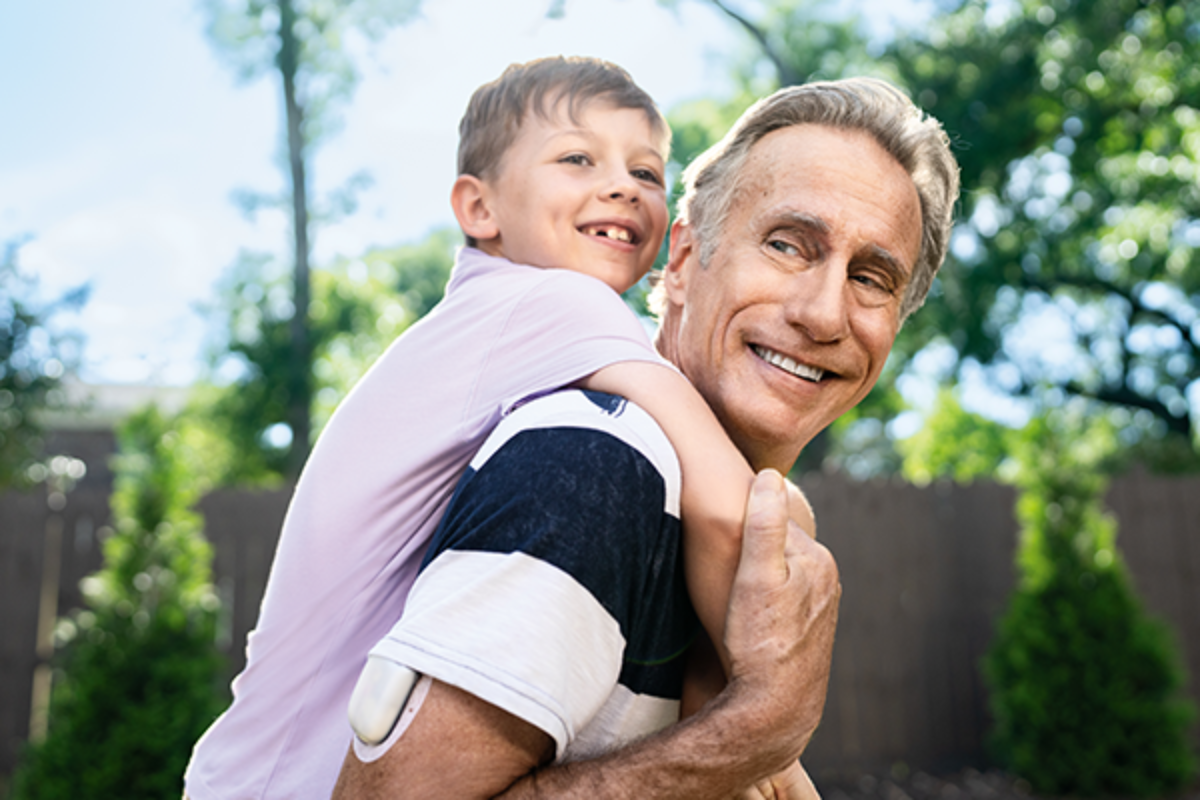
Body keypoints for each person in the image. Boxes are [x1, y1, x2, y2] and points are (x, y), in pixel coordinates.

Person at [184, 56, 798, 800]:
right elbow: (734, 511)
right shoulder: (552, 305)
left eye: (647, 172)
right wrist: (771, 730)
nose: (622, 187)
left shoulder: (493, 322)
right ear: (480, 210)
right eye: (577, 158)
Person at [333, 75, 960, 798]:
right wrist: (751, 733)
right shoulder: (595, 464)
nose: (824, 313)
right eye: (788, 245)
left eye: (872, 278)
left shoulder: (722, 524)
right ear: (687, 261)